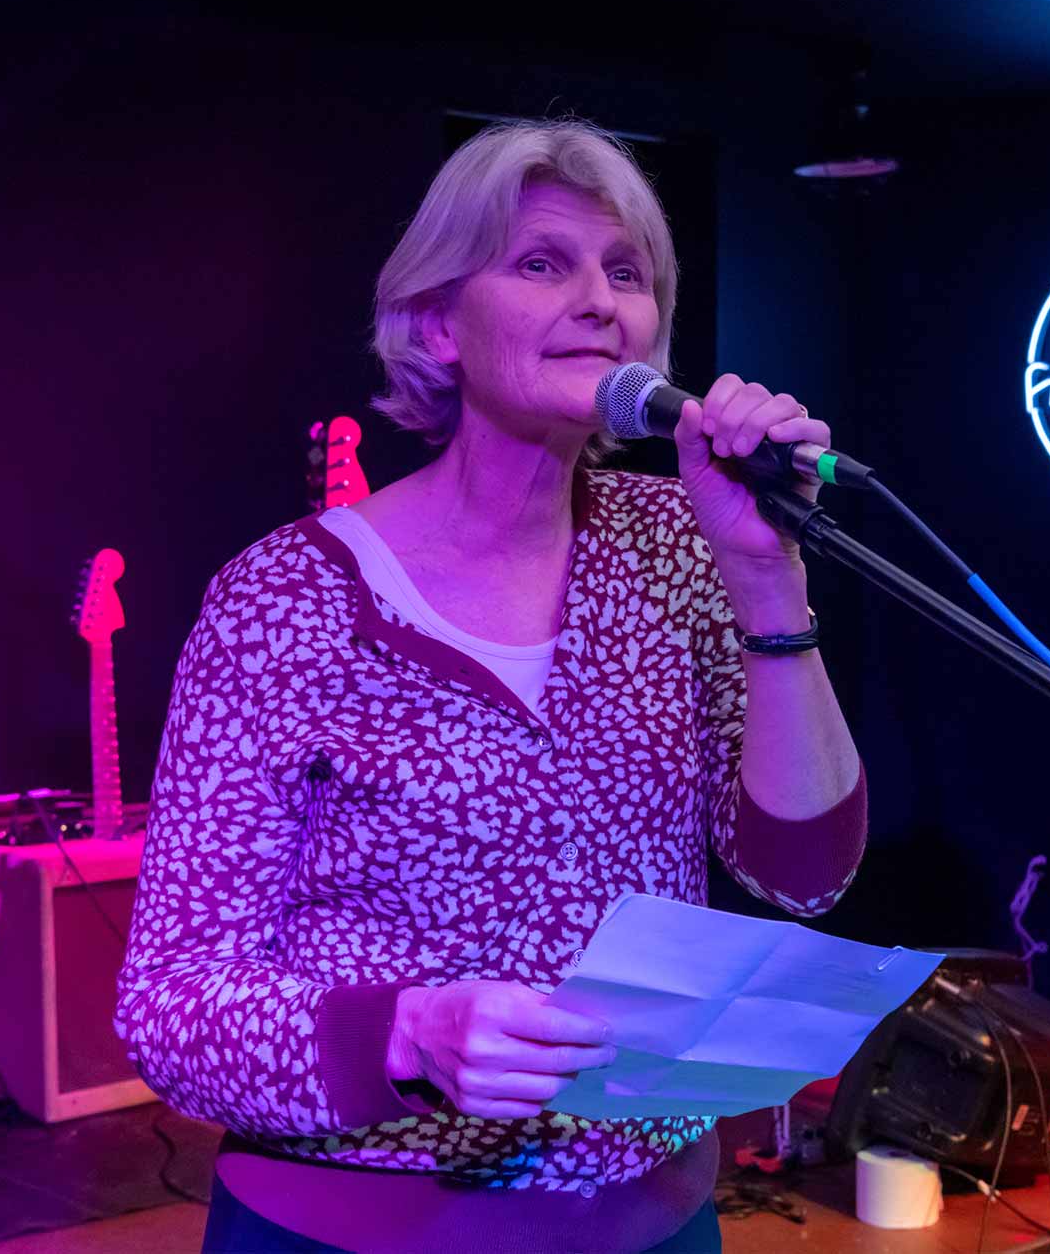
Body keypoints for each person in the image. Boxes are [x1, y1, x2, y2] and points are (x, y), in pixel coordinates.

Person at [115, 119, 867, 1253]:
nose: (599, 300)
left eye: (627, 272)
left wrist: (765, 577)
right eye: (540, 263)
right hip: (354, 1231)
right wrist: (409, 1036)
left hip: (650, 1225)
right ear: (432, 323)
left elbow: (804, 875)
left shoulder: (682, 546)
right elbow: (169, 999)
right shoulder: (284, 600)